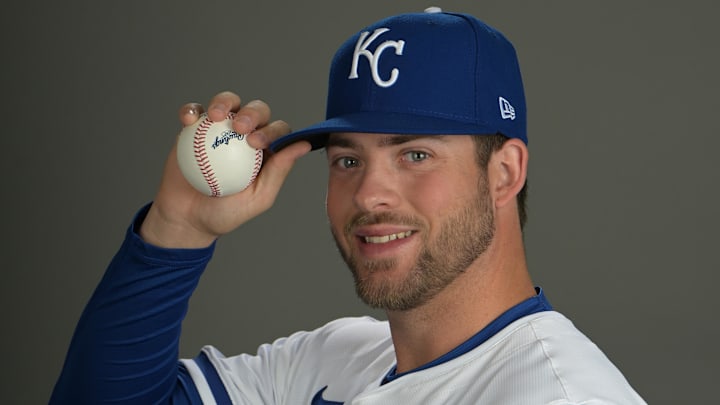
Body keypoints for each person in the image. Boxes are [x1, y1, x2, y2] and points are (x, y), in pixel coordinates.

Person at [50, 8, 647, 404]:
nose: (368, 195)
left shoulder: (558, 395)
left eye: (414, 155)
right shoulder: (331, 357)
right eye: (347, 159)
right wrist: (177, 228)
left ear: (505, 172)